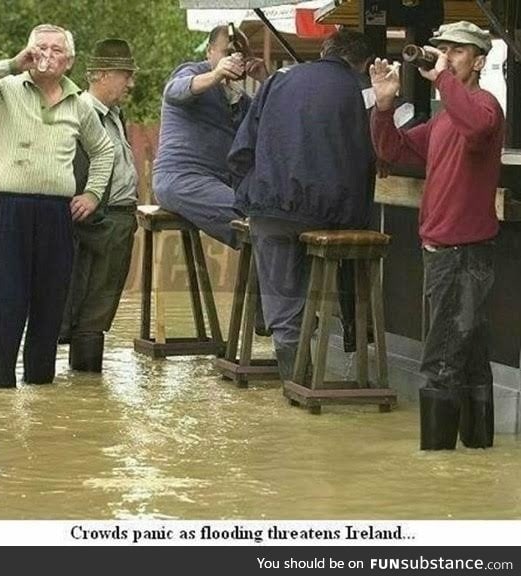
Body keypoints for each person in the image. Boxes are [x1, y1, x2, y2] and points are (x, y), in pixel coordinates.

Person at [369, 21, 504, 450]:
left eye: (457, 51)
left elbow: (479, 128)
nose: (446, 57)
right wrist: (385, 107)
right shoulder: (447, 118)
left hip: (462, 254)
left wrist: (443, 77)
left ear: (479, 61)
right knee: (469, 360)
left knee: (440, 360)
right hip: (448, 252)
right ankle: (476, 459)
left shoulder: (484, 107)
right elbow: (392, 150)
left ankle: (438, 467)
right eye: (443, 49)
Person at [0, 24, 115, 389]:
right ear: (28, 53)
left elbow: (103, 150)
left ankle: (41, 398)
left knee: (49, 310)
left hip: (57, 215)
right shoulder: (4, 91)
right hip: (9, 210)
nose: (46, 54)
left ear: (70, 61)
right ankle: (0, 399)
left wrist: (92, 193)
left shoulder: (79, 103)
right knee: (6, 307)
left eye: (56, 49)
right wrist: (12, 64)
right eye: (39, 47)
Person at [228, 29, 375, 383]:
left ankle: (295, 383)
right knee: (318, 281)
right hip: (325, 216)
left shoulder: (279, 80)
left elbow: (240, 151)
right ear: (364, 64)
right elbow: (363, 162)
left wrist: (250, 193)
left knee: (283, 301)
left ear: (324, 50)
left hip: (269, 209)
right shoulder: (354, 92)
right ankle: (331, 356)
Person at [60, 39, 139, 372]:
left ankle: (83, 398)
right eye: (125, 75)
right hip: (98, 222)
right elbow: (74, 175)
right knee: (88, 309)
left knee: (97, 308)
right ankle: (83, 390)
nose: (131, 83)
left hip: (117, 219)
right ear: (102, 75)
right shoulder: (81, 114)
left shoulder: (114, 114)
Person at [152, 25, 268, 249]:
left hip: (218, 182)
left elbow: (272, 123)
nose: (235, 60)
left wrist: (265, 80)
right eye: (227, 53)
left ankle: (261, 280)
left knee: (271, 216)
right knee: (252, 216)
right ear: (209, 52)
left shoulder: (240, 98)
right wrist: (216, 74)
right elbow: (174, 91)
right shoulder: (192, 73)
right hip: (181, 178)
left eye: (241, 55)